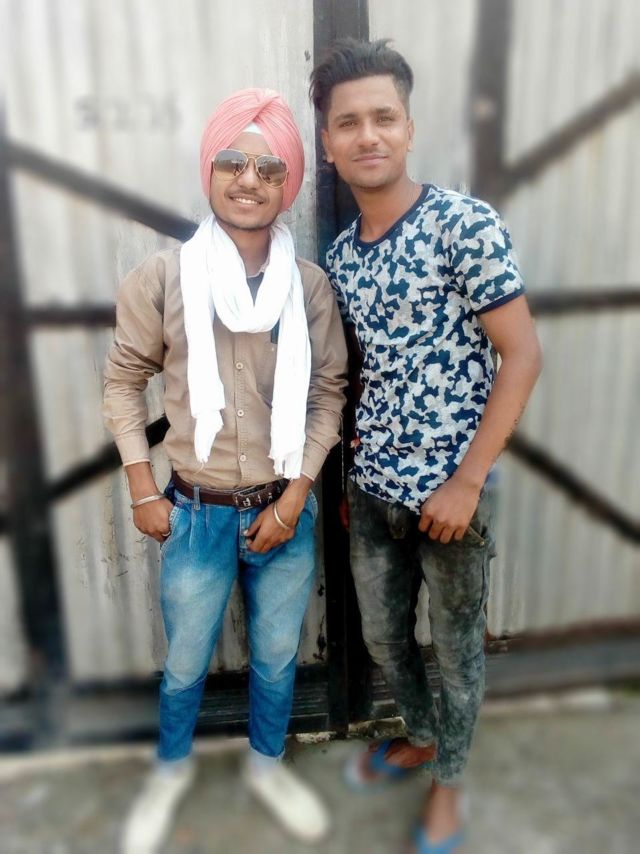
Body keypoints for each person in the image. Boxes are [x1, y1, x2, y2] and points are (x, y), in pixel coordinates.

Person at [310, 39, 542, 853]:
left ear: (408, 128)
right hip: (373, 491)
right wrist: (354, 476)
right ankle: (419, 736)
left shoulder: (462, 224)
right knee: (383, 640)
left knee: (456, 650)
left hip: (454, 497)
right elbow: (362, 375)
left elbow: (523, 355)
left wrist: (468, 482)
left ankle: (450, 783)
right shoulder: (341, 259)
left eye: (384, 117)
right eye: (348, 123)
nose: (367, 135)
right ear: (328, 144)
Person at [103, 88, 347, 852]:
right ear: (210, 170)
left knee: (276, 659)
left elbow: (328, 393)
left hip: (285, 511)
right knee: (184, 664)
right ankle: (169, 773)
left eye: (269, 168)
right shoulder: (163, 278)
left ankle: (266, 767)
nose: (250, 179)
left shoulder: (307, 287)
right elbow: (123, 382)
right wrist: (142, 488)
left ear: (288, 184)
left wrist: (296, 494)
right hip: (195, 514)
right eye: (233, 162)